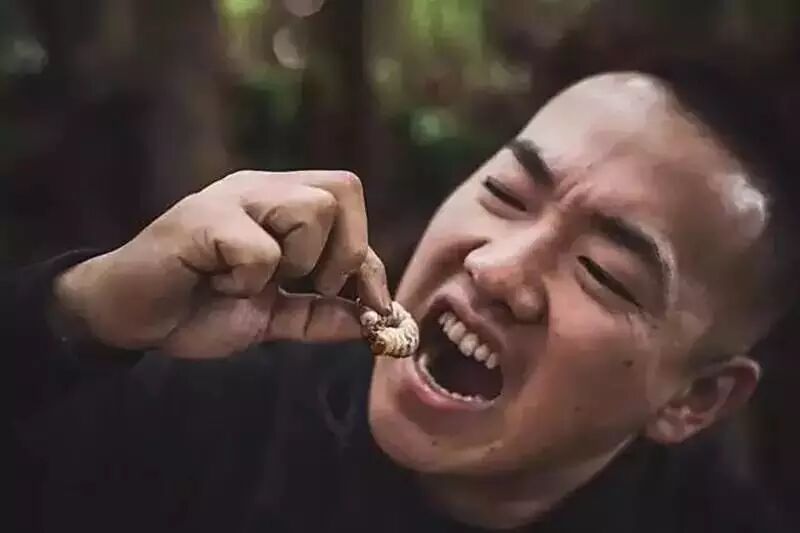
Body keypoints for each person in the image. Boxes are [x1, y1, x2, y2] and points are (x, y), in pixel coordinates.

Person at [10, 66, 798, 533]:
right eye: (505, 192)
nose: (496, 267)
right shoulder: (206, 407)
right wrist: (78, 312)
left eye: (604, 272)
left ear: (696, 398)